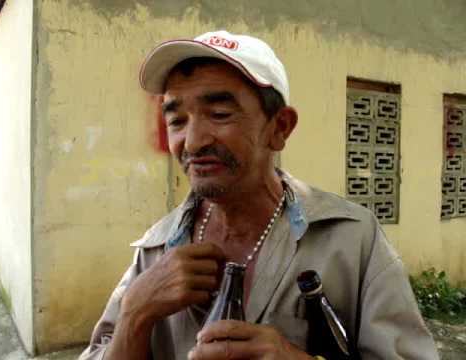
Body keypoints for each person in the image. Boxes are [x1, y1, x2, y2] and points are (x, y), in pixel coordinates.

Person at [79, 30, 439, 360]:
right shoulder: (155, 250)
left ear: (279, 128)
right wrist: (136, 312)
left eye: (219, 113)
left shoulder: (353, 240)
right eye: (177, 120)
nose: (192, 141)